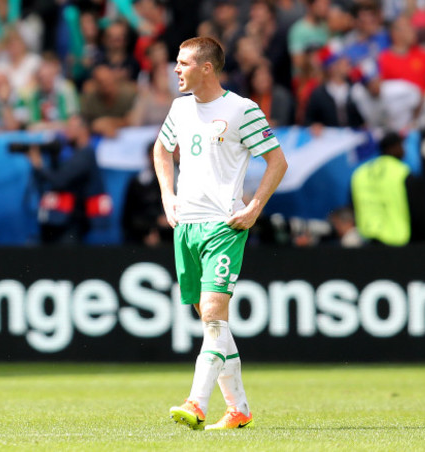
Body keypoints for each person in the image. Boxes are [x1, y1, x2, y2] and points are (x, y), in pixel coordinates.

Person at [154, 37, 287, 430]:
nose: (176, 69)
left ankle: (196, 403)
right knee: (213, 325)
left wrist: (254, 208)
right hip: (186, 225)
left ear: (206, 68)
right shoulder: (179, 108)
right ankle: (239, 408)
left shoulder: (242, 110)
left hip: (223, 226)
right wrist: (167, 194)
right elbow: (161, 150)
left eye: (183, 63)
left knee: (213, 315)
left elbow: (276, 162)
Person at [27, 116, 110, 243]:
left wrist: (39, 165)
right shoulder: (73, 153)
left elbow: (60, 180)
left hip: (74, 221)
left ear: (84, 130)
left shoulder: (86, 154)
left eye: (71, 127)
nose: (66, 131)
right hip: (61, 219)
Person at [351, 132, 425, 246]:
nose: (404, 150)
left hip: (367, 242)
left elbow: (353, 206)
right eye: (401, 146)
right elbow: (418, 211)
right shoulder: (403, 173)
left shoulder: (361, 173)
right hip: (398, 242)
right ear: (393, 147)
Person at [122, 142, 172, 246]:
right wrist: (155, 223)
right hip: (142, 237)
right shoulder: (139, 183)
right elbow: (130, 218)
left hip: (173, 235)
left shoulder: (180, 179)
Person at [378, 14, 425, 93]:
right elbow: (381, 88)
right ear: (395, 33)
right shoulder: (383, 59)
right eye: (408, 27)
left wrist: (423, 100)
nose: (413, 30)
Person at [80, 64, 137, 137]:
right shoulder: (90, 99)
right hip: (99, 138)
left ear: (113, 78)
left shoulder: (129, 94)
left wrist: (109, 122)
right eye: (101, 82)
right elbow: (84, 122)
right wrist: (94, 126)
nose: (105, 85)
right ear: (95, 84)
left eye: (107, 80)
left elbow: (133, 120)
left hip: (128, 135)